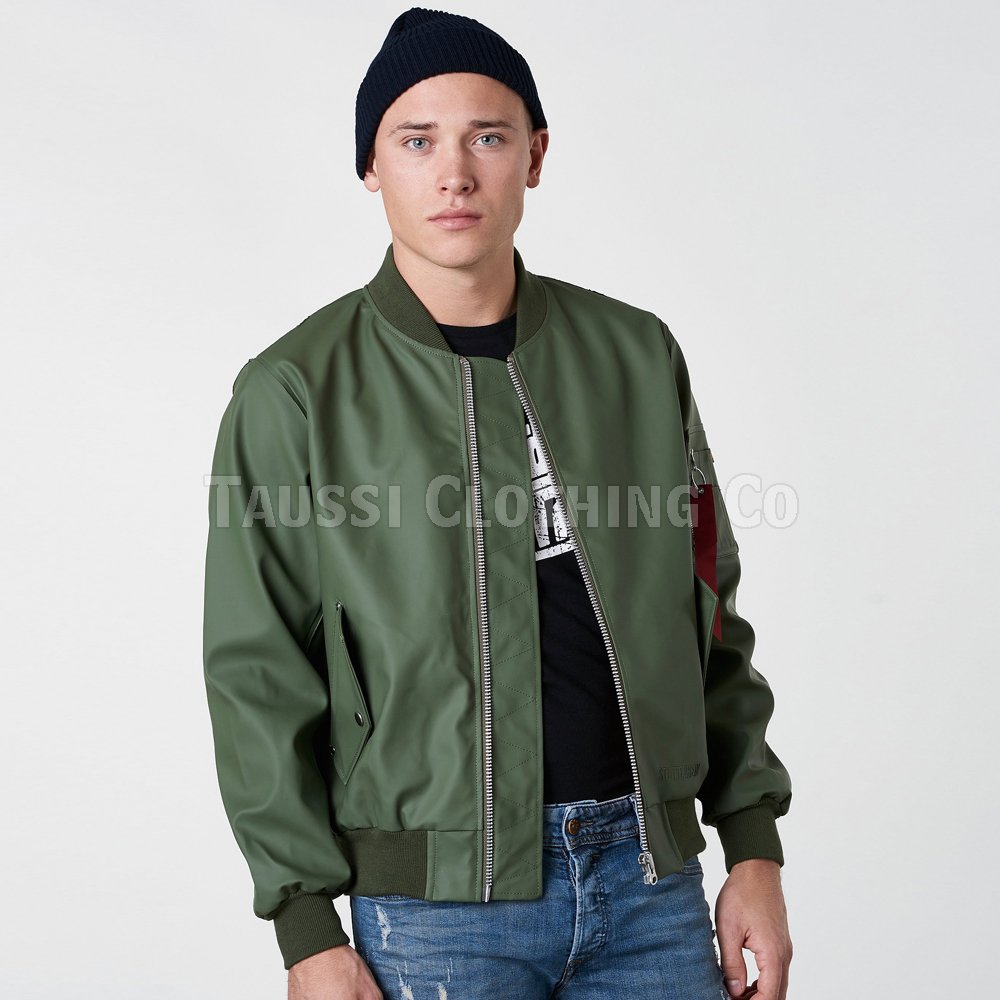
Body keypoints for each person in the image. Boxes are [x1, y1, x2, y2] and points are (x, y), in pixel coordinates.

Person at [202, 8, 793, 999]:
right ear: (370, 165)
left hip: (650, 886)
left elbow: (708, 609)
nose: (454, 174)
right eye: (415, 141)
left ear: (535, 155)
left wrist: (752, 844)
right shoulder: (296, 391)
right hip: (433, 913)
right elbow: (257, 671)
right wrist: (305, 926)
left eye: (487, 136)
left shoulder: (635, 355)